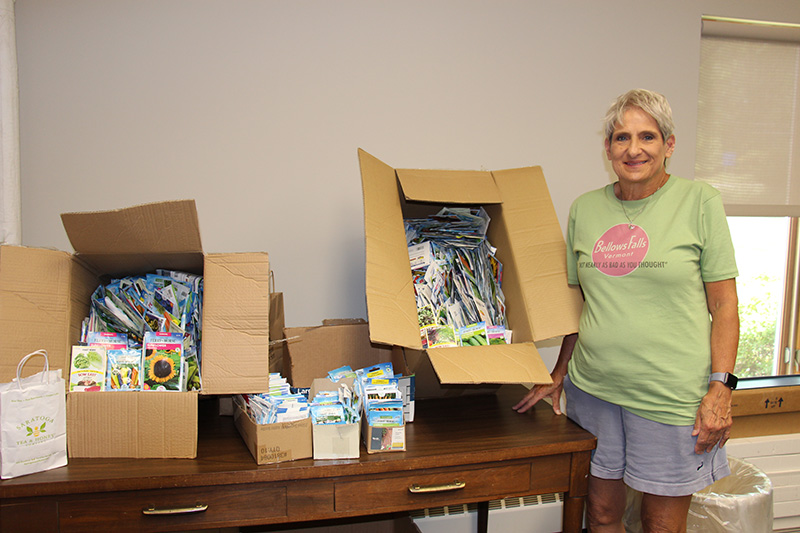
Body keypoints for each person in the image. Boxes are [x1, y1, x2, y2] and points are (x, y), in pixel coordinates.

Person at [513, 88, 740, 532]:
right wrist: (559, 372)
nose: (633, 149)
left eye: (647, 137)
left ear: (669, 145)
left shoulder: (700, 202)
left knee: (660, 524)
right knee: (599, 515)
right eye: (621, 138)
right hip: (594, 391)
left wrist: (721, 387)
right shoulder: (586, 208)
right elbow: (579, 305)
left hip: (669, 396)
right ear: (608, 148)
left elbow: (724, 304)